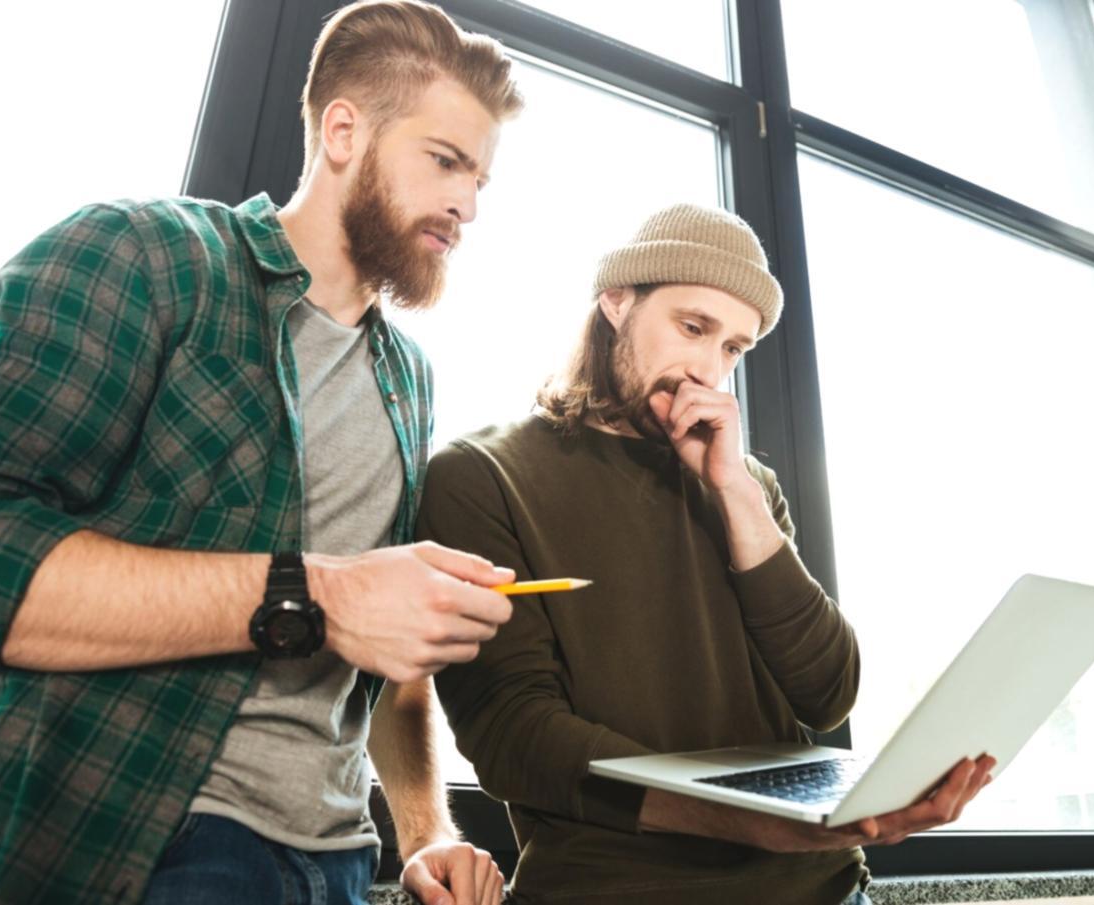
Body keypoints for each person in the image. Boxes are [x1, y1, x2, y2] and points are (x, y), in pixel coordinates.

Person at [0, 3, 523, 903]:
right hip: (133, 837)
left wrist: (422, 834)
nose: (467, 204)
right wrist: (319, 593)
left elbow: (387, 664)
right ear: (344, 131)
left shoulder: (408, 380)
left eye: (482, 180)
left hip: (339, 863)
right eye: (446, 161)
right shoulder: (148, 256)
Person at [418, 203, 996, 905]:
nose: (707, 368)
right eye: (693, 328)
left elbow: (829, 691)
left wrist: (738, 494)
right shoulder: (481, 474)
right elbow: (512, 733)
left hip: (826, 888)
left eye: (733, 349)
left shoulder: (747, 486)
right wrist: (747, 821)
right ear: (617, 300)